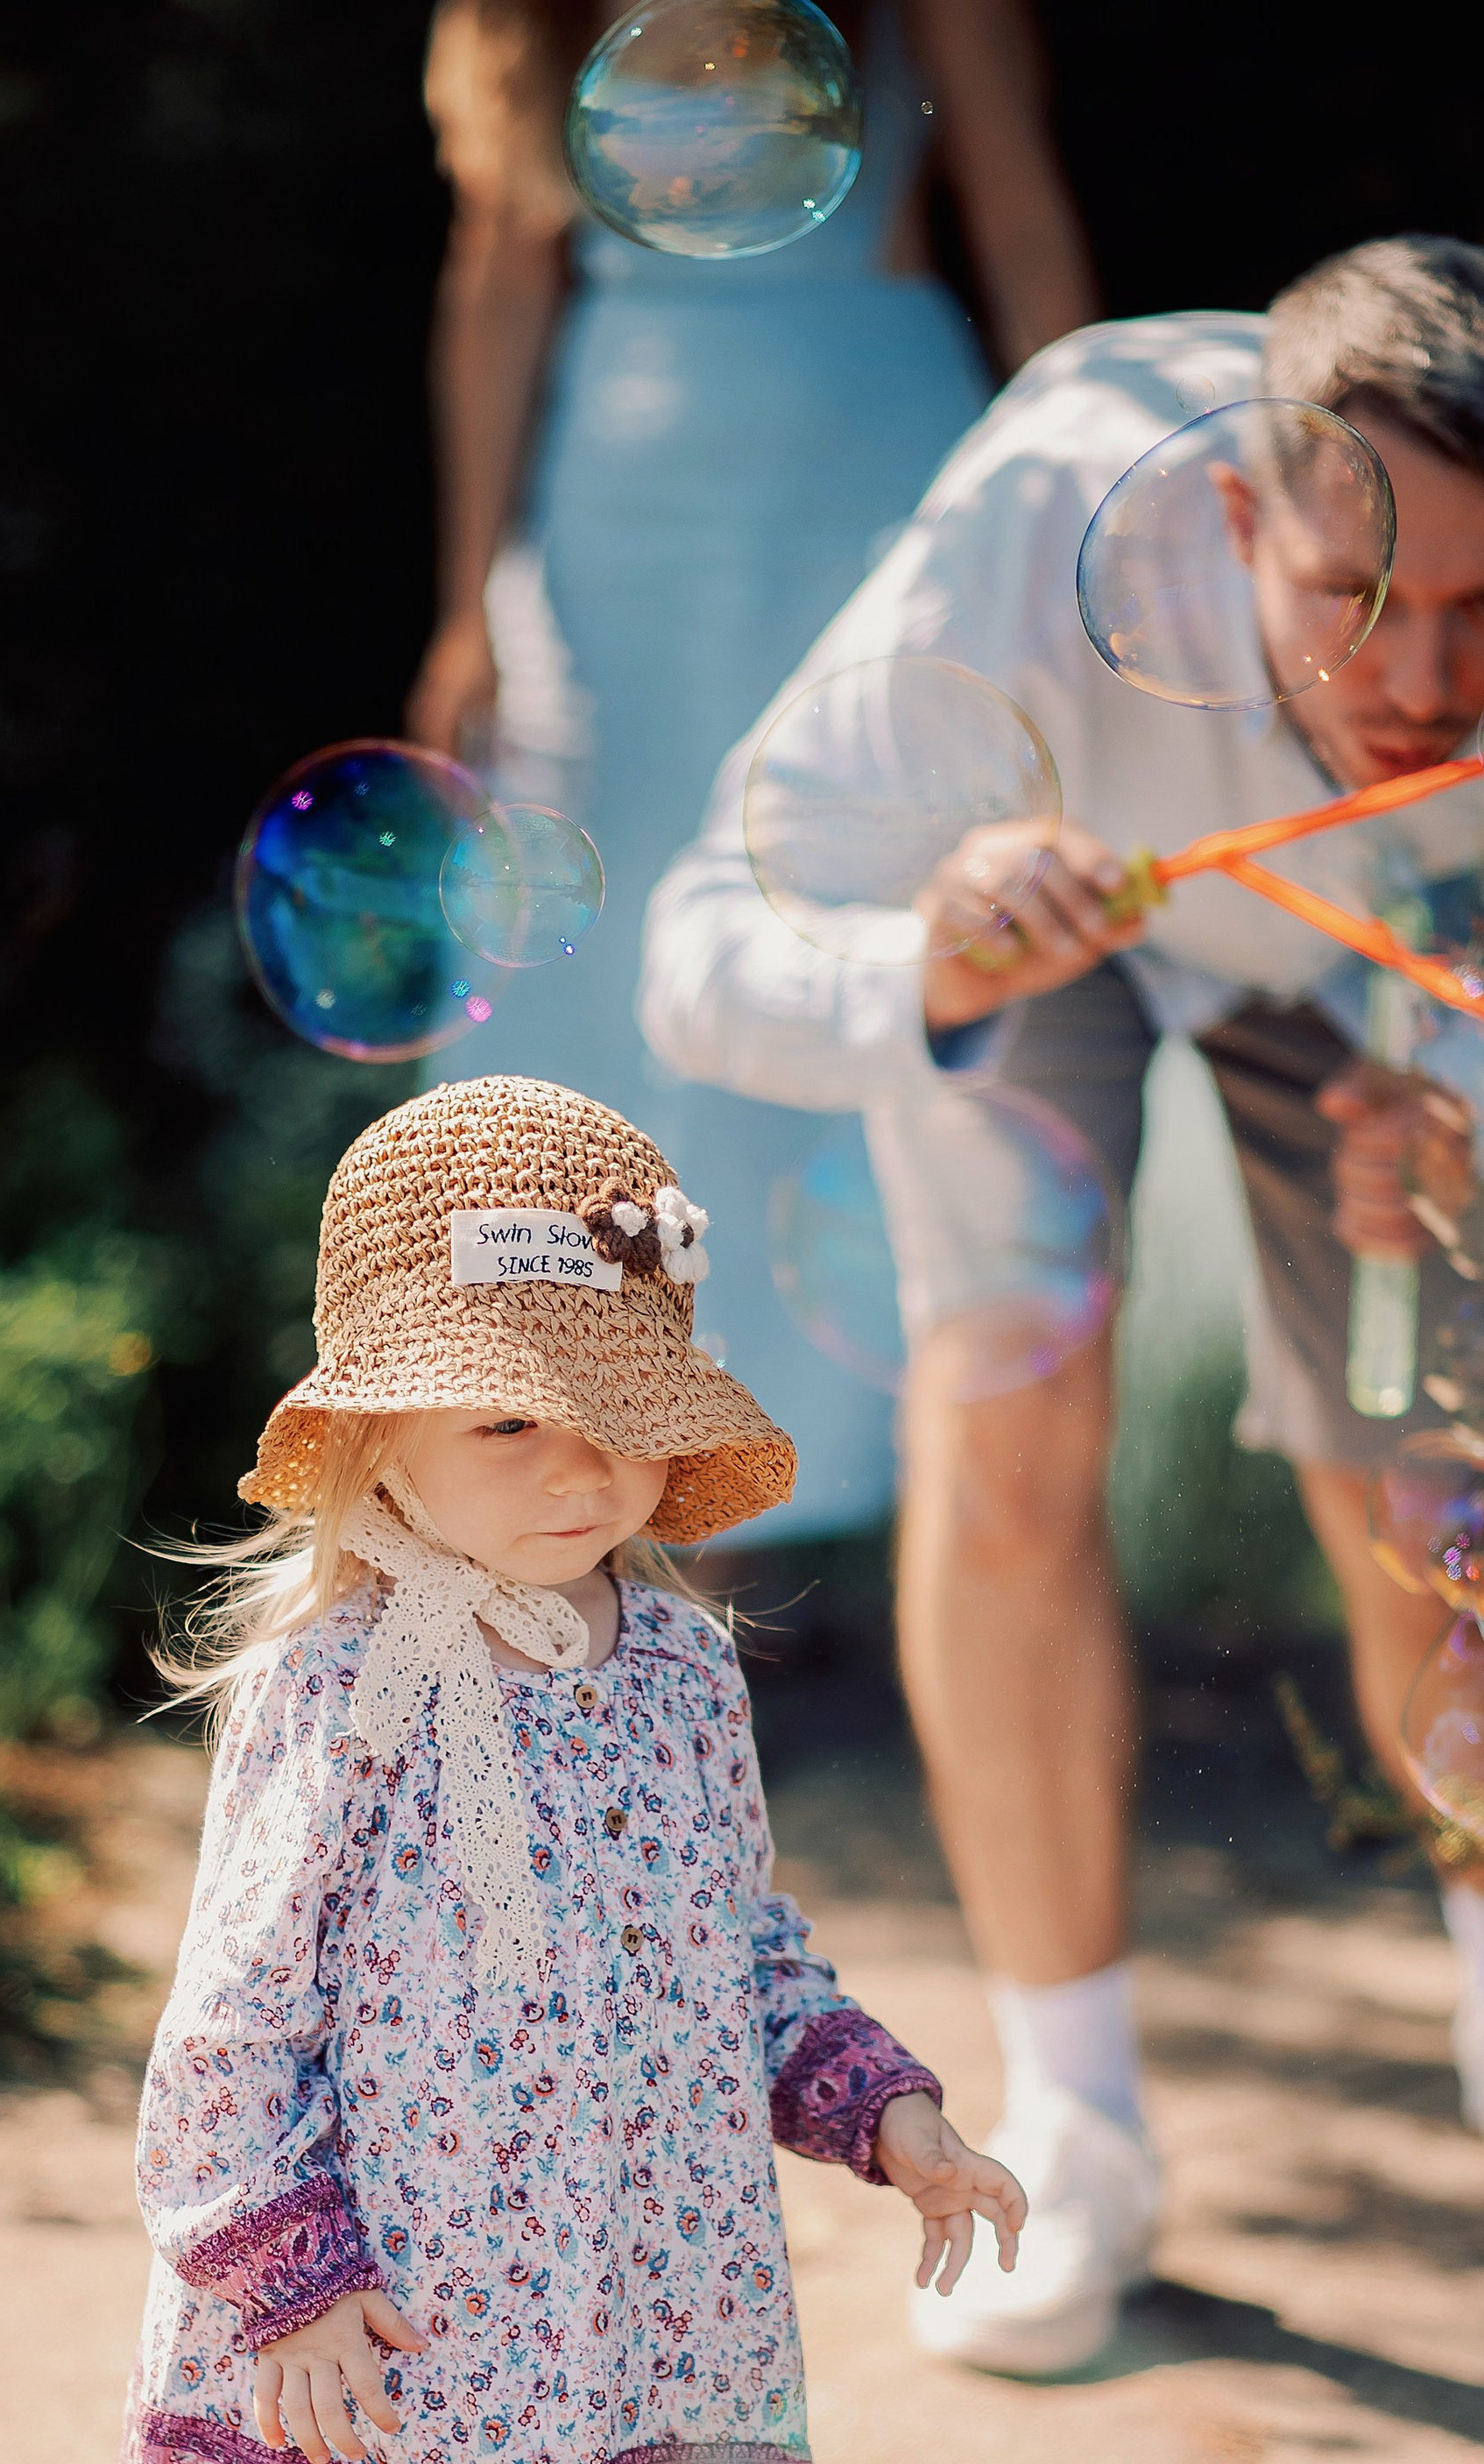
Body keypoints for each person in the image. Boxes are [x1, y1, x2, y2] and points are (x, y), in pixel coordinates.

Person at [640, 237, 1484, 2376]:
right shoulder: (1026, 539)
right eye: (1356, 601)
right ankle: (1067, 2122)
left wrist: (1470, 1083)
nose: (1425, 672)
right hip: (1041, 918)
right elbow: (697, 953)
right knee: (1005, 1427)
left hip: (1399, 951)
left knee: (1424, 1458)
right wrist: (923, 959)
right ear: (1230, 518)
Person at [15, 1073, 1025, 2464]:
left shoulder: (672, 1666)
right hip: (360, 2313)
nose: (581, 1464)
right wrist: (278, 2265)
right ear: (372, 1440)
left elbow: (740, 1951)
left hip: (579, 2320)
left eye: (615, 1411)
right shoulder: (336, 1681)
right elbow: (232, 2019)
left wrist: (885, 2107)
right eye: (509, 1421)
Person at [406, 0, 1094, 1536]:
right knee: (598, 936)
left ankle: (830, 1472)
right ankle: (578, 1450)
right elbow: (499, 275)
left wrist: (1074, 524)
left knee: (842, 897)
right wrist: (468, 599)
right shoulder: (529, 21)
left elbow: (1024, 217)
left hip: (863, 469)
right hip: (617, 504)